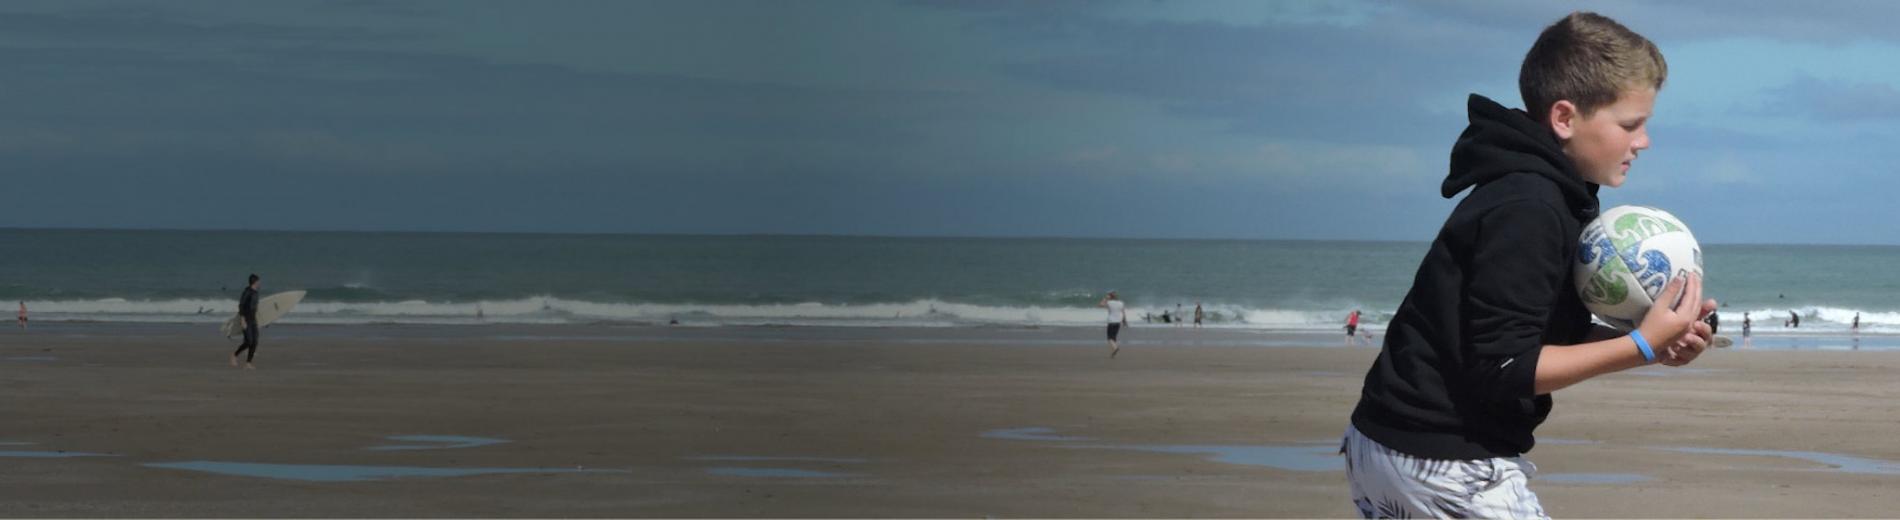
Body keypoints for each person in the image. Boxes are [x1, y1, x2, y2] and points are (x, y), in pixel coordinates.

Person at [1343, 13, 1715, 518]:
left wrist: (1656, 339)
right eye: (1630, 124)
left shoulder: (1547, 194)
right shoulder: (1529, 207)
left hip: (1399, 440)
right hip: (1437, 454)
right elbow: (1505, 367)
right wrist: (1640, 346)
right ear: (1565, 118)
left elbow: (1534, 340)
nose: (1643, 141)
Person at [231, 274, 262, 370]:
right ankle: (234, 355)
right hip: (246, 319)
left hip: (253, 320)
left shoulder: (256, 292)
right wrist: (242, 320)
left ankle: (248, 363)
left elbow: (255, 308)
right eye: (259, 281)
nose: (260, 283)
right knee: (249, 341)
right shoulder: (247, 292)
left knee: (255, 341)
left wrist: (262, 319)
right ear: (255, 282)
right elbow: (241, 305)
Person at [1099, 291, 1128, 358]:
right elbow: (1123, 312)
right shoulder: (1121, 303)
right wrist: (1125, 321)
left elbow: (1100, 305)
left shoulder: (1109, 302)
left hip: (1111, 322)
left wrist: (1105, 298)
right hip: (1118, 322)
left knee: (1109, 338)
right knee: (1114, 338)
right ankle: (1113, 352)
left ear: (1110, 297)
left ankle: (1115, 348)